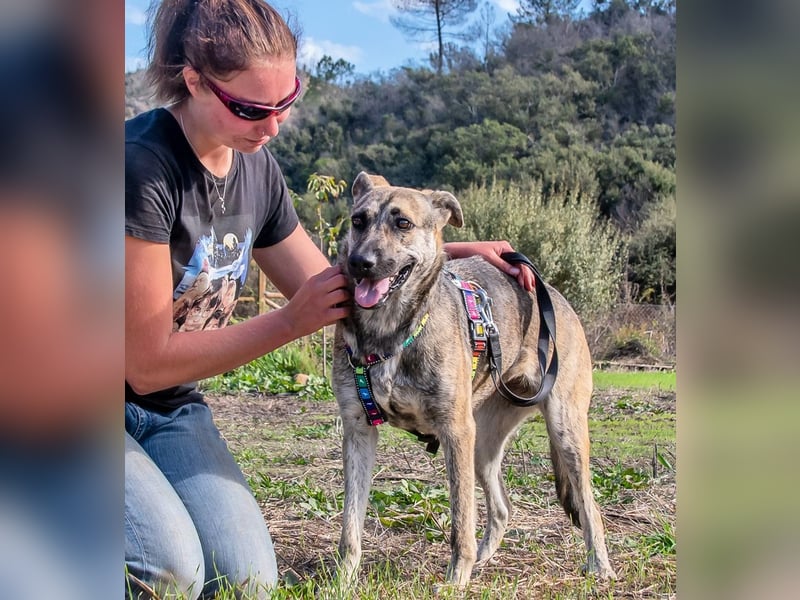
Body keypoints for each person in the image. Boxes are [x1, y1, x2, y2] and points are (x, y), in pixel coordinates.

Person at [125, 0, 534, 597]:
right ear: (193, 81)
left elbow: (339, 282)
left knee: (243, 578)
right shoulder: (143, 169)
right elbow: (144, 361)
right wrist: (289, 322)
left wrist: (450, 249)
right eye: (251, 108)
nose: (272, 127)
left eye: (286, 102)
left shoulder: (255, 170)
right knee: (170, 570)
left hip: (166, 408)